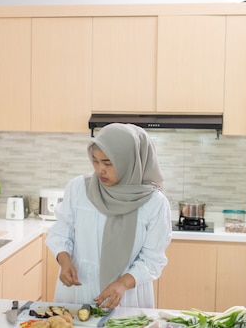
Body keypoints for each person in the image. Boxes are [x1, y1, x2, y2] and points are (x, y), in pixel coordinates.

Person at [46, 123, 172, 309]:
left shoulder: (154, 203)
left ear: (130, 162)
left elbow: (153, 259)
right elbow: (61, 232)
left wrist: (122, 284)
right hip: (78, 289)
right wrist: (64, 262)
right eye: (95, 160)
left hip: (126, 297)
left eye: (108, 163)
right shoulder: (79, 188)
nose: (99, 170)